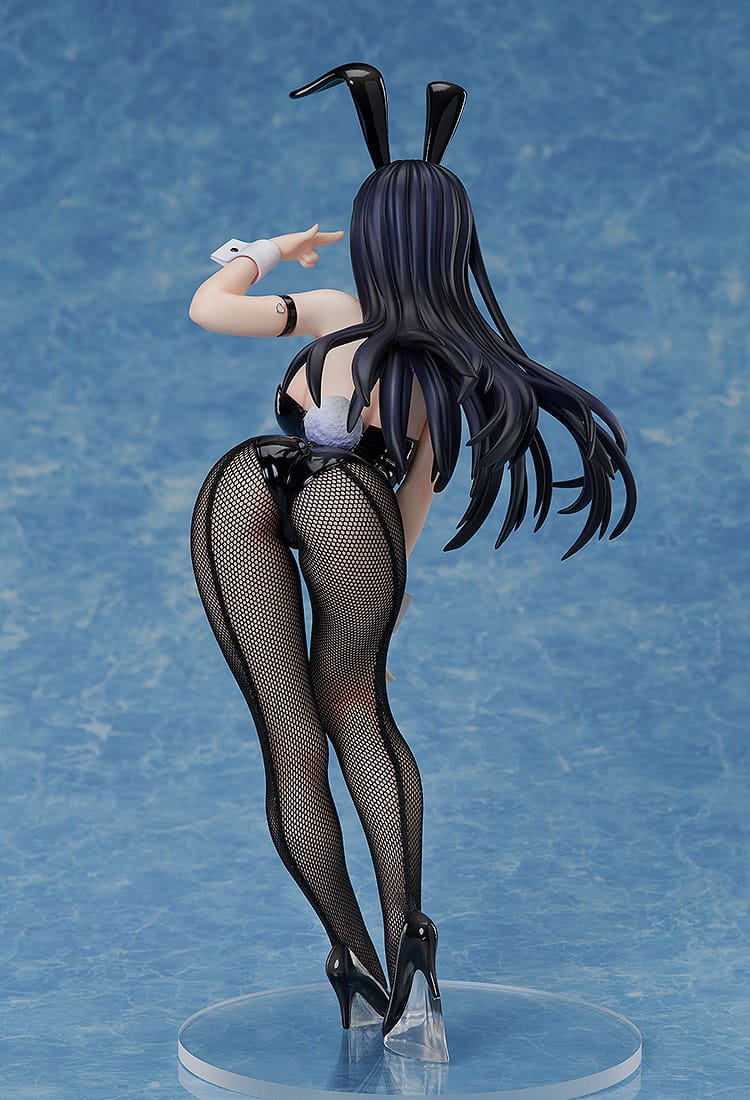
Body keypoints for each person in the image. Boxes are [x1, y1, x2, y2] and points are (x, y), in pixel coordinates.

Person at [188, 63, 636, 1063]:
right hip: (353, 512)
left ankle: (350, 958)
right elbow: (411, 503)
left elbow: (209, 308)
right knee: (356, 707)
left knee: (288, 738)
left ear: (371, 234)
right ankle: (410, 947)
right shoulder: (446, 365)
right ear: (452, 243)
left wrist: (272, 249)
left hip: (246, 485)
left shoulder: (331, 306)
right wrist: (383, 597)